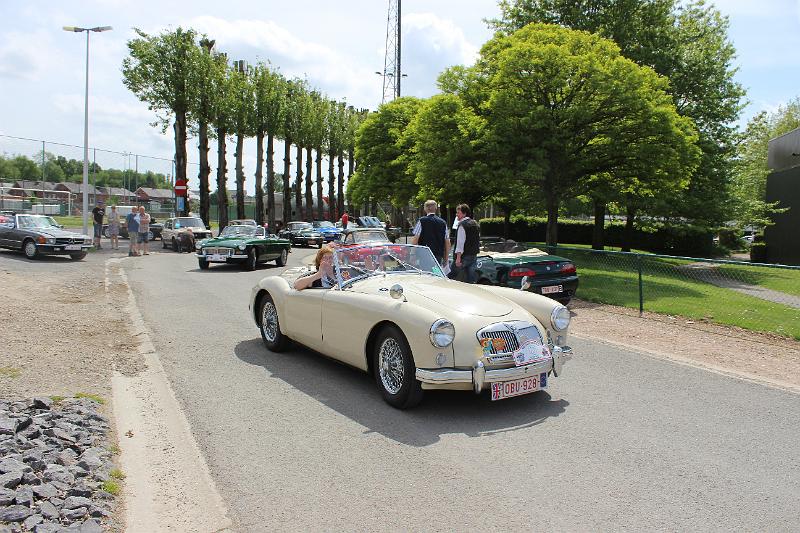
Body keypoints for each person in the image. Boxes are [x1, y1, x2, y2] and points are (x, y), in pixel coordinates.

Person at [410, 200, 450, 267]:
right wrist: (446, 259)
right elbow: (447, 242)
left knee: (426, 274)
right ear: (436, 208)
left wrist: (412, 254)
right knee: (436, 275)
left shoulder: (422, 221)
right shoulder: (443, 222)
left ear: (425, 209)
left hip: (425, 253)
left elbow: (415, 239)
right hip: (438, 255)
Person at [450, 203, 480, 283]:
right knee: (470, 279)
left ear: (464, 213)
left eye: (458, 213)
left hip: (463, 257)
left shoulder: (462, 225)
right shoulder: (475, 224)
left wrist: (458, 258)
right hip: (473, 255)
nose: (457, 215)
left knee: (451, 277)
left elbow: (460, 242)